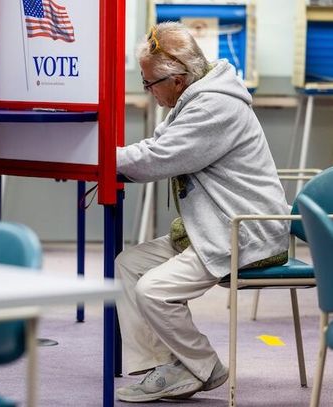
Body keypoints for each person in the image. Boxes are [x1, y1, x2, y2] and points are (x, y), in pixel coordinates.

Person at [115, 22, 290, 402]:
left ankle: (203, 366)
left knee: (154, 291)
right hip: (214, 225)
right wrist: (113, 160)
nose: (148, 92)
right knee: (130, 264)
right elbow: (157, 146)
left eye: (149, 84)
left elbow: (160, 158)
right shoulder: (195, 96)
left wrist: (100, 159)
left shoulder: (215, 105)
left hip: (244, 231)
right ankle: (166, 366)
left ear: (176, 79)